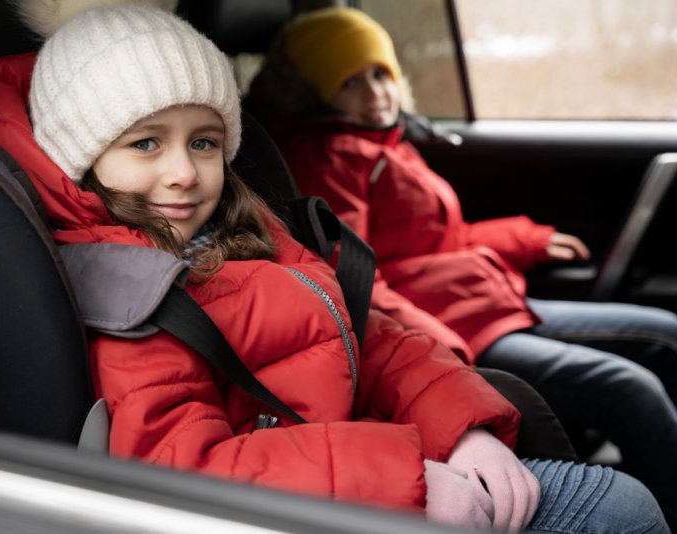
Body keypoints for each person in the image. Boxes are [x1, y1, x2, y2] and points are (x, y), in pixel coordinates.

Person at [0, 1, 668, 532]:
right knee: (623, 507)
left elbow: (372, 333)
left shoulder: (240, 224)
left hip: (369, 461)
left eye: (204, 142)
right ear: (85, 157)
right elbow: (183, 470)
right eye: (145, 144)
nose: (183, 172)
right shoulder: (127, 295)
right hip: (334, 500)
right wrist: (408, 479)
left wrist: (465, 426)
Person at [247, 6, 677, 528]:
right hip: (455, 325)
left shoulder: (388, 145)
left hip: (482, 299)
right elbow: (351, 278)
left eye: (380, 73)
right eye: (350, 83)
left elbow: (442, 241)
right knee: (629, 388)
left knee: (664, 333)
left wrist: (528, 239)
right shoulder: (331, 159)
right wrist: (438, 340)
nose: (376, 92)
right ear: (316, 96)